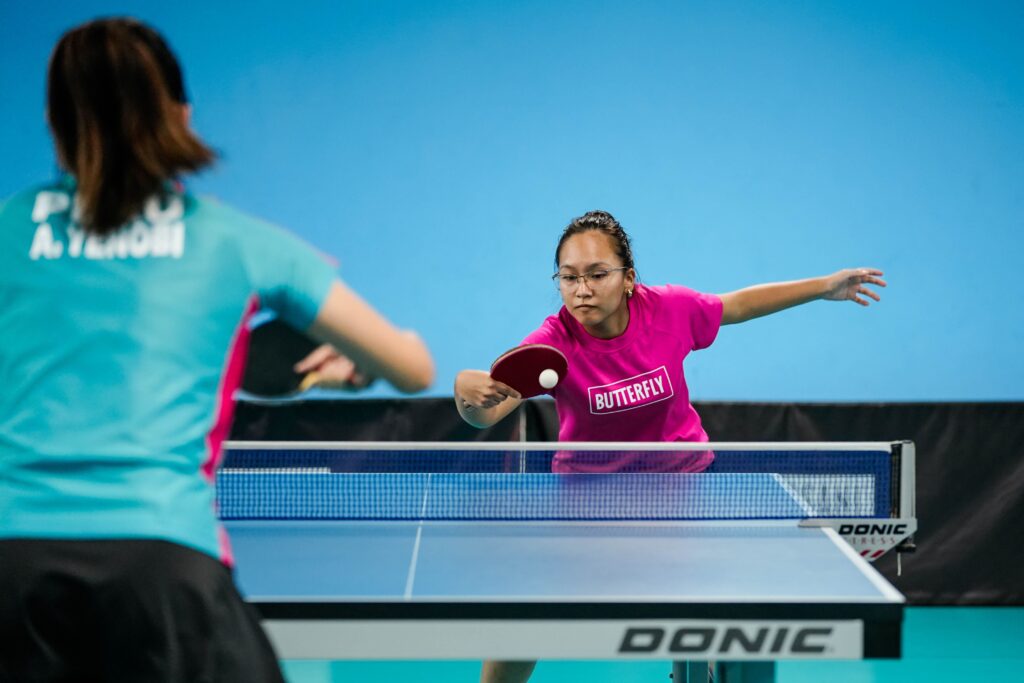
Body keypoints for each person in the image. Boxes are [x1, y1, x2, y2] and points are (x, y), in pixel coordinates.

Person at [0, 18, 434, 683]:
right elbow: (412, 369)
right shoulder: (237, 242)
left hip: (12, 569)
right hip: (163, 570)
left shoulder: (7, 227)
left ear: (56, 126)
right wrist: (359, 366)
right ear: (181, 116)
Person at [453, 209, 885, 683]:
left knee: (722, 618)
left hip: (683, 487)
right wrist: (466, 393)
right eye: (569, 277)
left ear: (628, 278)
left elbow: (737, 305)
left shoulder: (669, 311)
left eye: (597, 274)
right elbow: (487, 411)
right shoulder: (552, 344)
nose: (582, 289)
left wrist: (823, 287)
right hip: (588, 498)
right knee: (528, 606)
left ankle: (698, 673)